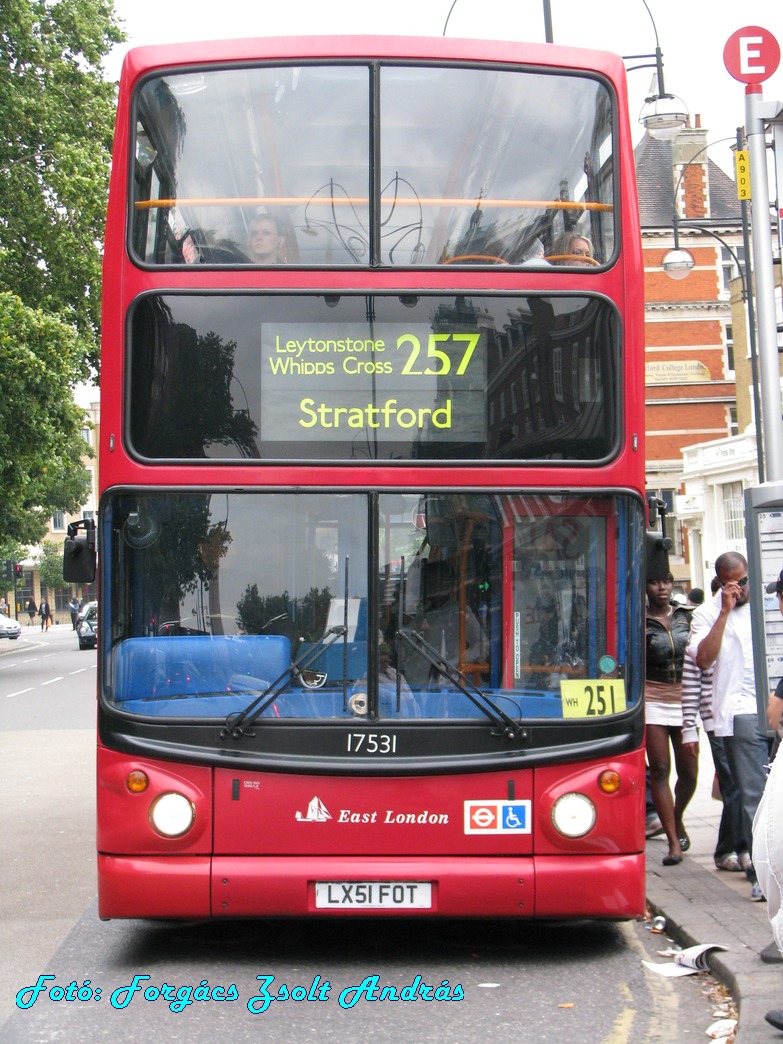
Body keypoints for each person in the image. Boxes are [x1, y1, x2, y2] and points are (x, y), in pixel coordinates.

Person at [689, 551, 769, 901]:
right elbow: (704, 660)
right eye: (734, 583)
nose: (742, 589)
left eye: (745, 581)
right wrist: (723, 611)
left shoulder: (767, 605)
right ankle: (763, 874)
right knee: (754, 797)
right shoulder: (706, 615)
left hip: (772, 705)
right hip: (740, 712)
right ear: (722, 583)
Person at [645, 568, 699, 865]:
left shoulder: (686, 616)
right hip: (653, 696)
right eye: (654, 582)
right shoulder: (639, 620)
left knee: (690, 772)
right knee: (661, 768)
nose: (662, 588)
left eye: (666, 581)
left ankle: (676, 817)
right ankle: (672, 841)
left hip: (685, 698)